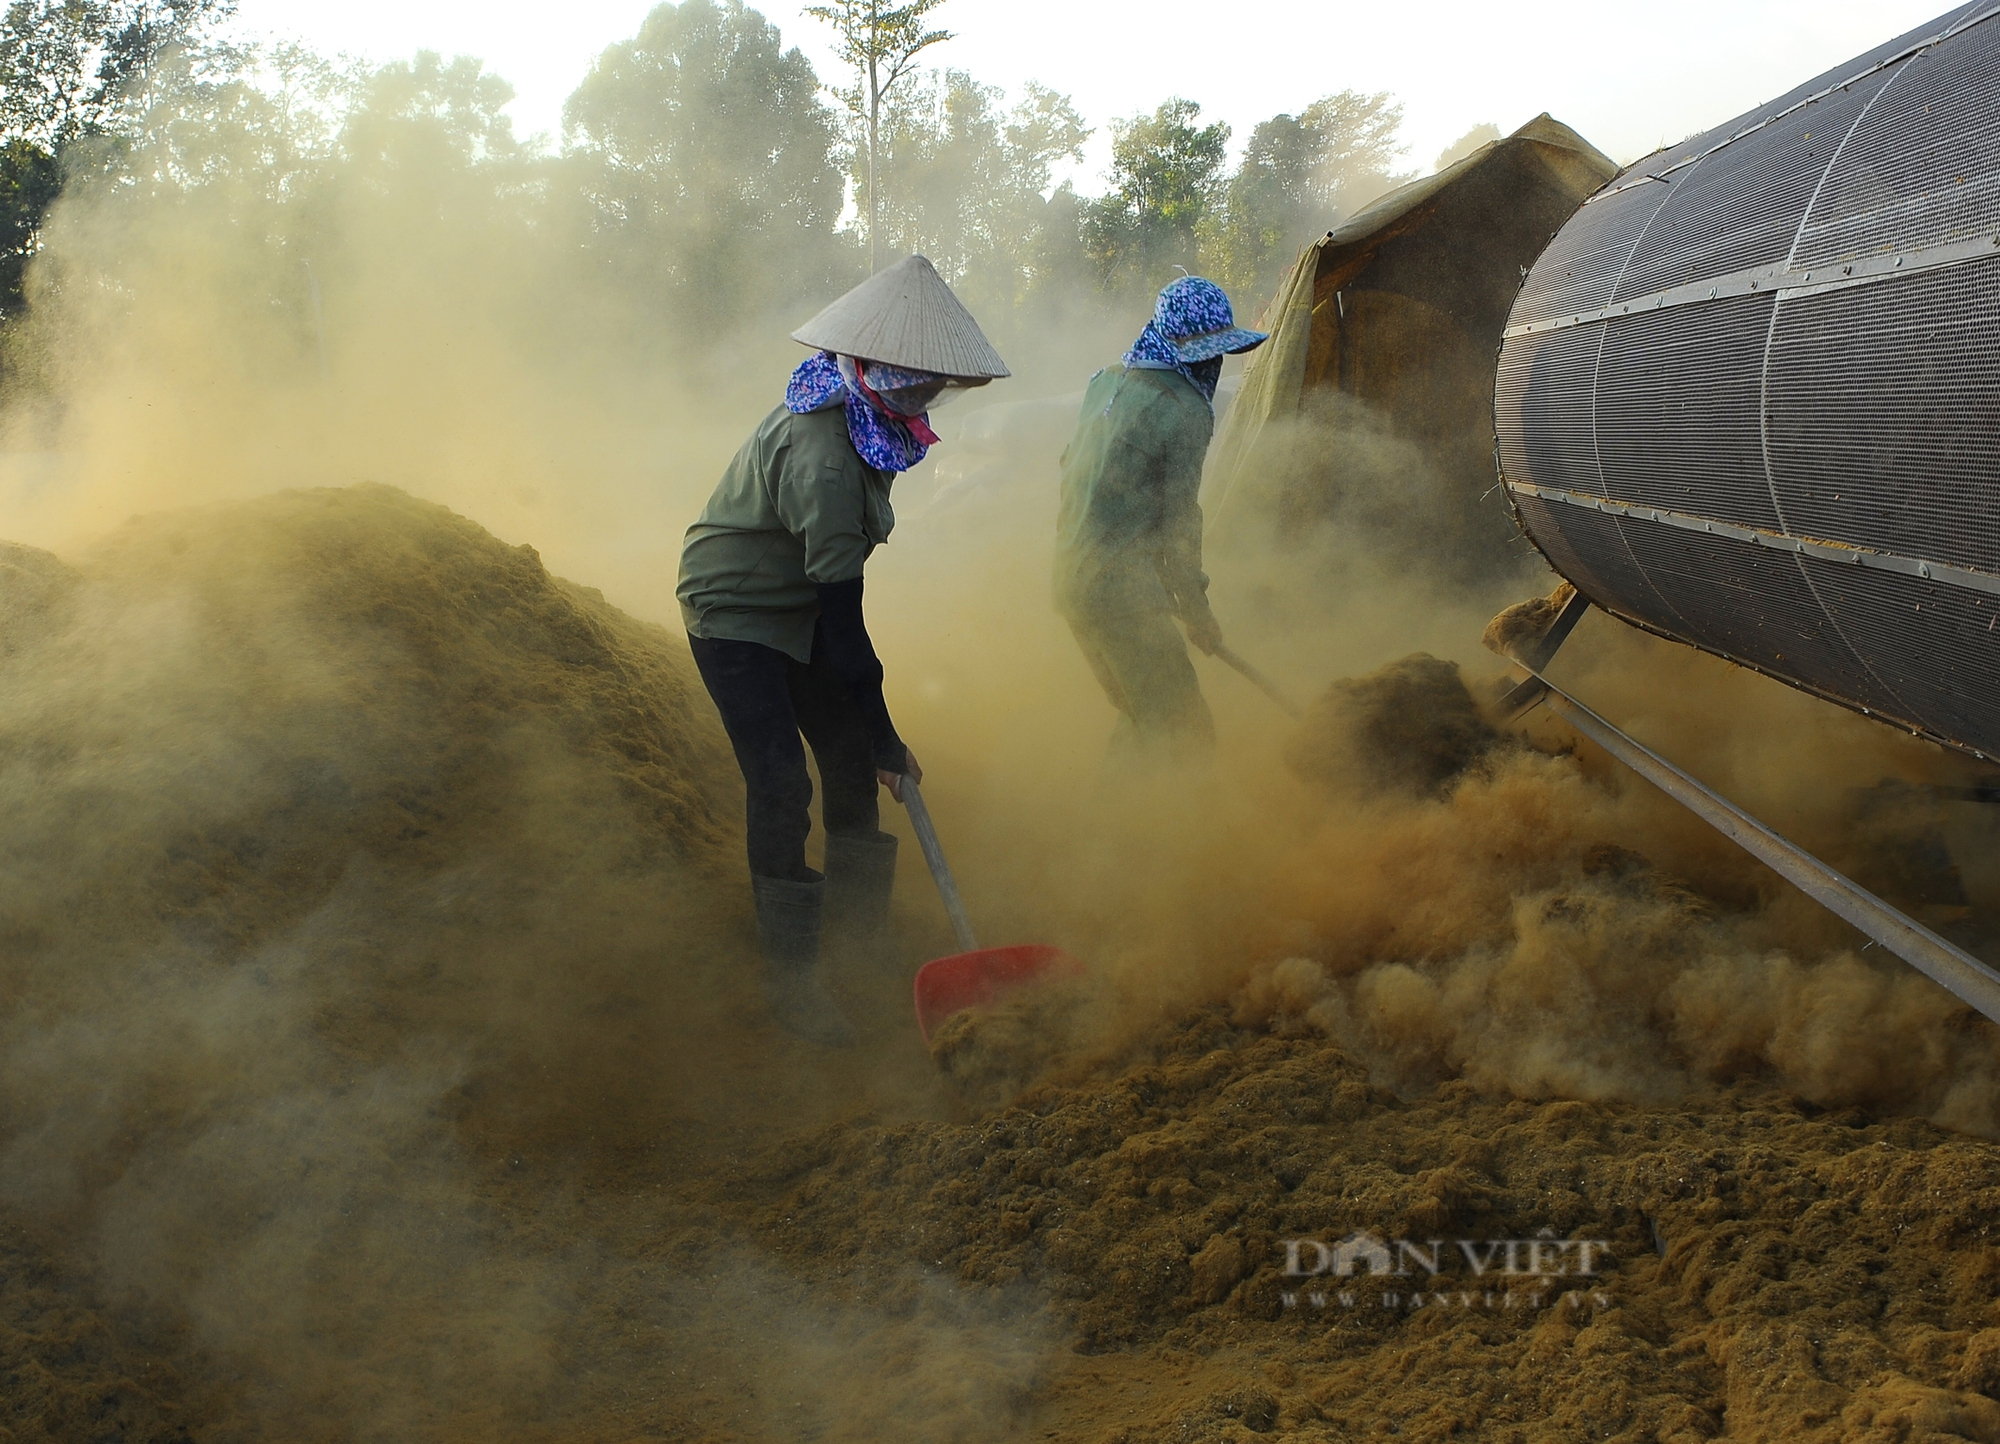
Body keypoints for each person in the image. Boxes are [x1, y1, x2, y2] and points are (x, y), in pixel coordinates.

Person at [678, 254, 1008, 1047]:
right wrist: (888, 729)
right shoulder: (823, 455)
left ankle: (860, 946)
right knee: (782, 781)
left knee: (853, 763)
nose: (924, 399)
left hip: (800, 607)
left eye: (932, 387)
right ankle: (793, 982)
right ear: (873, 367)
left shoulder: (861, 415)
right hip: (736, 615)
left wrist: (876, 745)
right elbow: (846, 631)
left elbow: (834, 625)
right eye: (914, 384)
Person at [1053, 275, 1267, 763]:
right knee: (1181, 730)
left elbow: (1075, 480)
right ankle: (1155, 835)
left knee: (1142, 720)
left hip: (1071, 583)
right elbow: (1180, 523)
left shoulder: (1107, 381)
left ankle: (1105, 834)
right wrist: (1196, 611)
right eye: (1205, 354)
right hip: (1120, 595)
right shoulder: (1185, 409)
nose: (1212, 364)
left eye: (1217, 353)